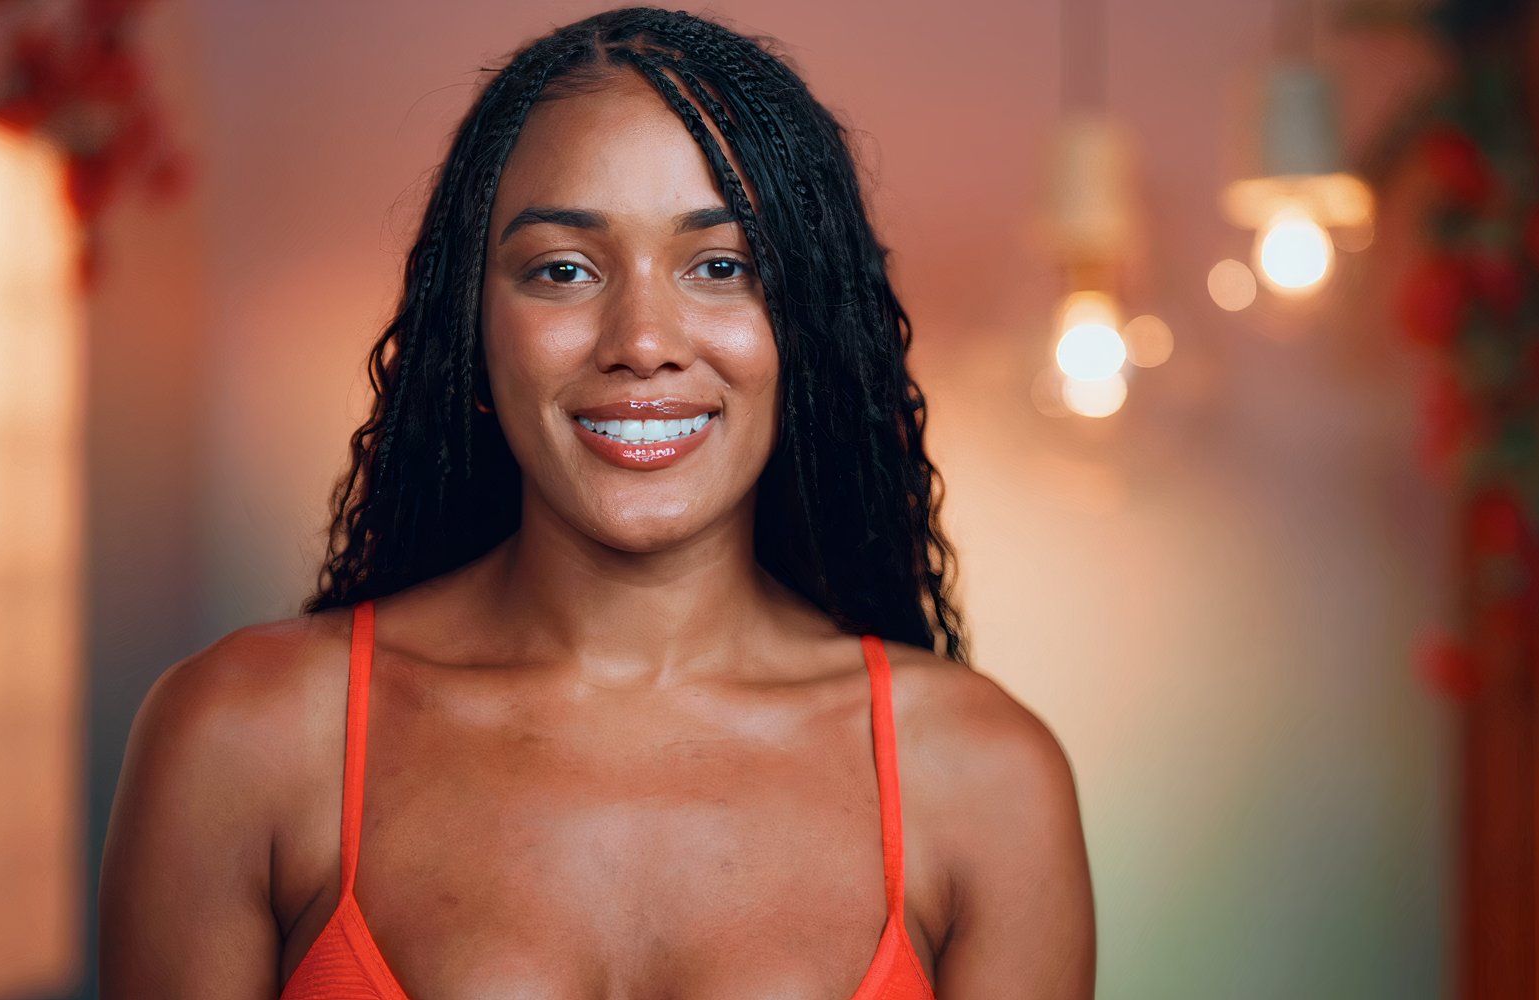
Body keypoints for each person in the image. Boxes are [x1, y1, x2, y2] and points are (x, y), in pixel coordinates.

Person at [98, 7, 1095, 998]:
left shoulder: (984, 782)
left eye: (721, 265)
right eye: (563, 269)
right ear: (473, 330)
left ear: (808, 328)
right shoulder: (242, 739)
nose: (642, 338)